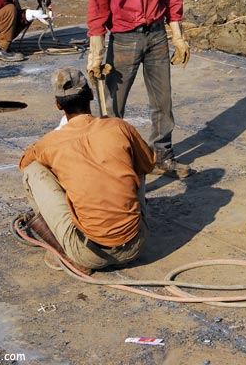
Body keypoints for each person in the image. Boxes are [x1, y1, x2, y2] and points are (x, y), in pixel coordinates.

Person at [87, 0, 191, 178]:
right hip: (123, 38)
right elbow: (97, 9)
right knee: (112, 105)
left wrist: (178, 36)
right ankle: (111, 162)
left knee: (163, 102)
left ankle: (162, 156)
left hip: (156, 35)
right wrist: (96, 55)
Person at [18, 68, 155, 272]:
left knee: (33, 171)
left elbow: (24, 165)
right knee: (137, 155)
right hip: (136, 245)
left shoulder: (50, 143)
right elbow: (148, 164)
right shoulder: (119, 127)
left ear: (58, 105)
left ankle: (66, 254)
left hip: (88, 254)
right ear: (91, 95)